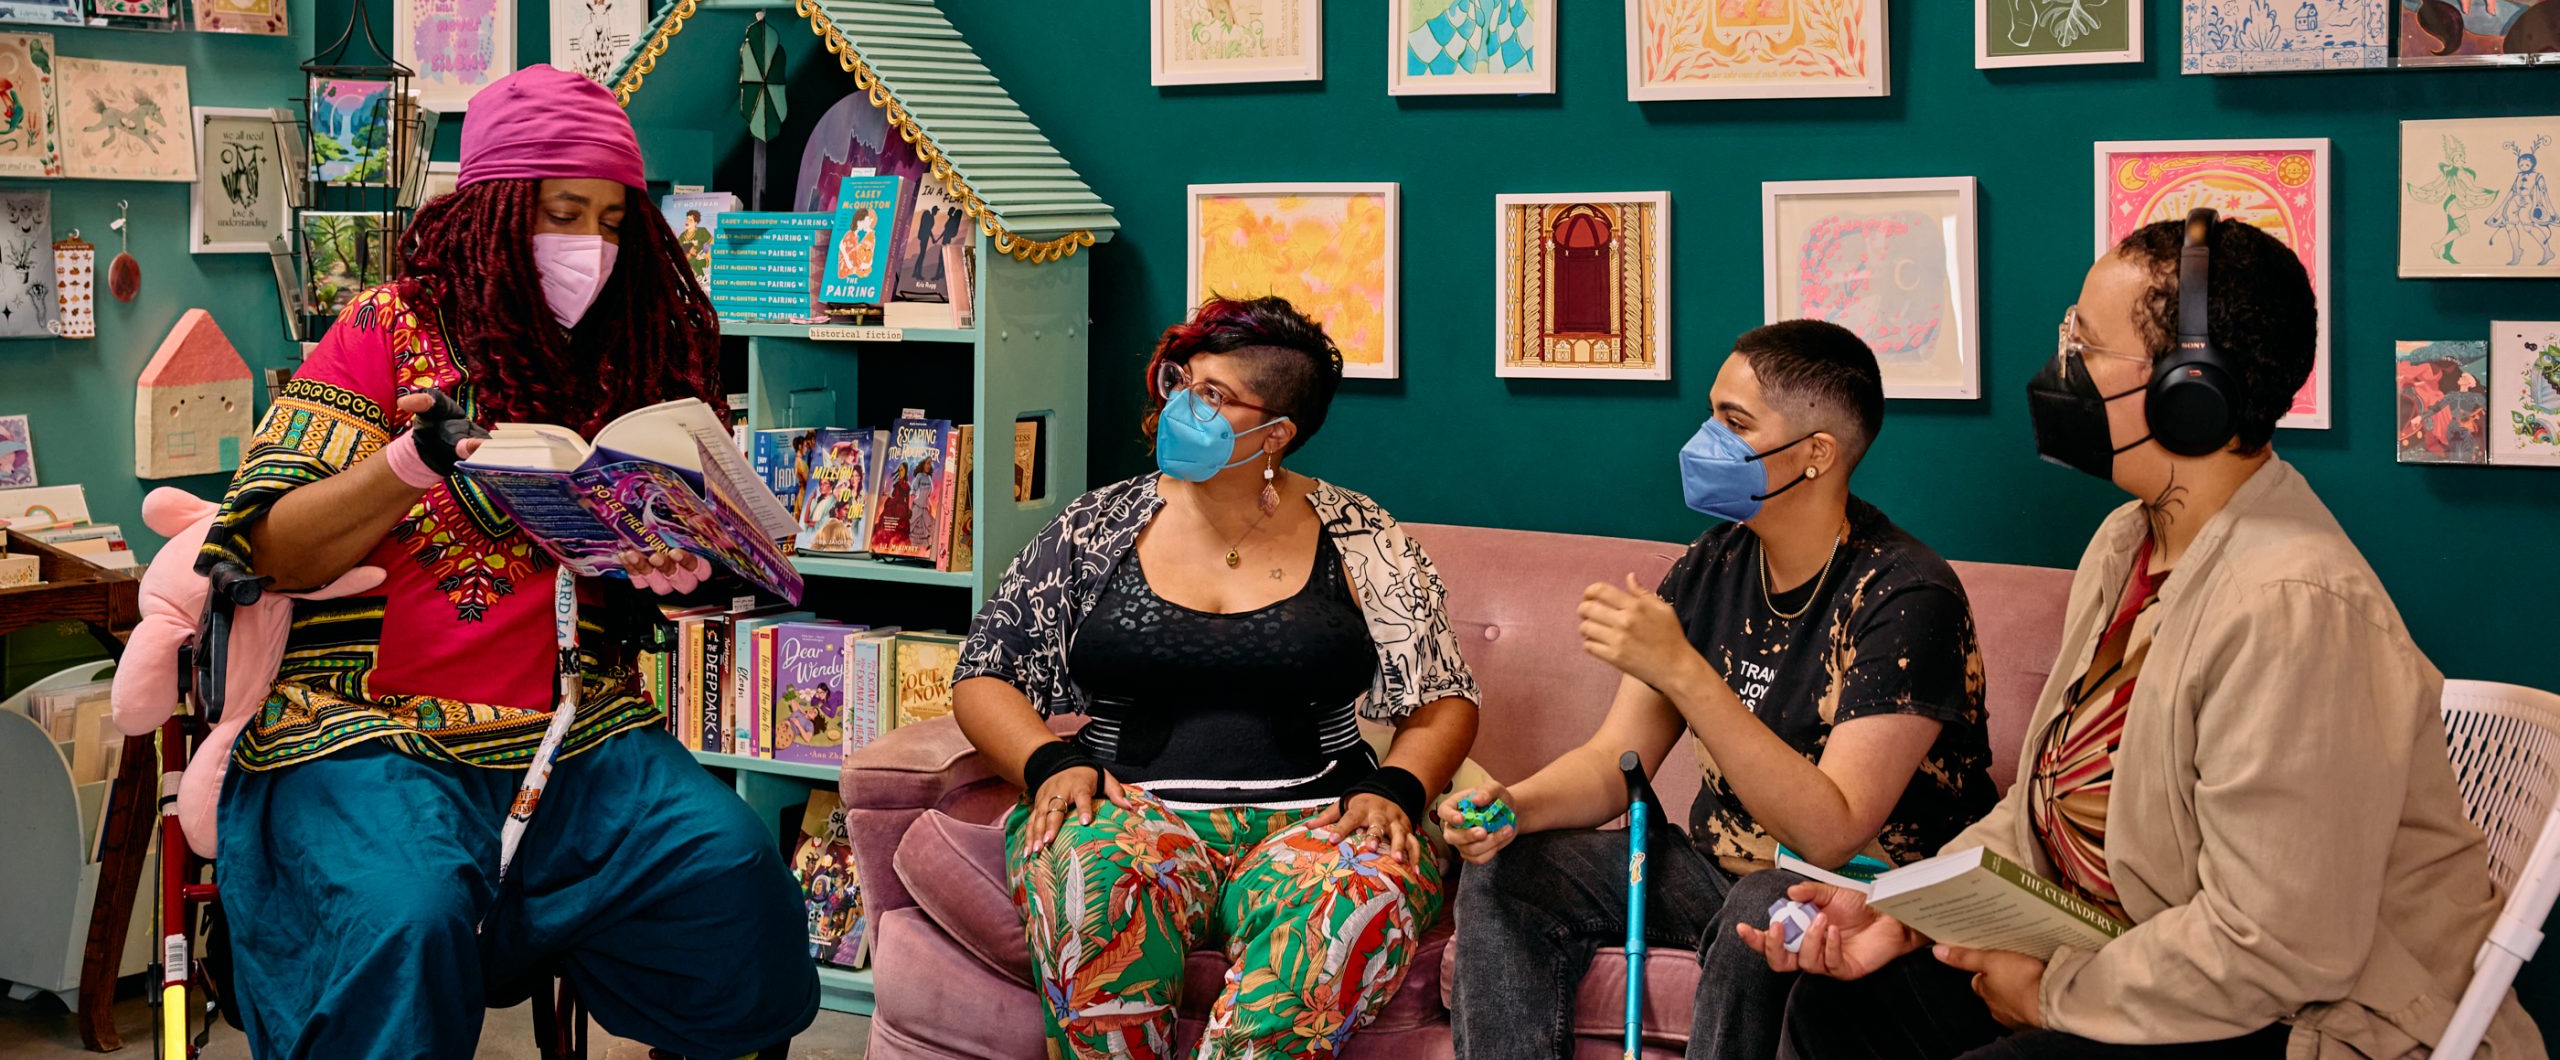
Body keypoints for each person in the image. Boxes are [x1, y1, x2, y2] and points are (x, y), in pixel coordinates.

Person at [1742, 213, 2545, 1060]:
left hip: (2300, 1018)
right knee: (1843, 1010)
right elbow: (2049, 806)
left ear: (2188, 390)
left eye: (2084, 344)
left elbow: (2275, 947)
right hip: (2146, 960)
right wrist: (1903, 908)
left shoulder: (2293, 608)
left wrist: (2052, 995)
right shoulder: (2127, 543)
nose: (2062, 368)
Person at [197, 65, 816, 1060]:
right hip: (364, 735)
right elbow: (266, 542)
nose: (594, 247)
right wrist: (410, 460)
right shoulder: (382, 330)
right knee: (407, 915)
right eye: (565, 212)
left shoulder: (633, 358)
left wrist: (675, 557)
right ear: (493, 209)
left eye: (614, 221)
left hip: (577, 738)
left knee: (736, 876)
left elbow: (662, 555)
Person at [1447, 319, 1996, 1060]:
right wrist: (1516, 807)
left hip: (1860, 888)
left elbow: (1832, 831)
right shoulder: (1712, 565)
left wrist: (1684, 670)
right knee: (1506, 872)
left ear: (1816, 455)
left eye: (1734, 422)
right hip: (1713, 865)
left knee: (1763, 907)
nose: (1706, 438)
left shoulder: (1905, 597)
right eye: (1712, 412)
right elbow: (1616, 758)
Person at [952, 296, 1480, 1058]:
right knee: (1087, 884)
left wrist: (1397, 788)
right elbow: (985, 674)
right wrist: (1049, 761)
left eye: (1213, 396)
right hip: (1128, 808)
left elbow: (1443, 699)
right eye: (1180, 384)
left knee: (1350, 904)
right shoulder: (1094, 526)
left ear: (1277, 433)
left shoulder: (1363, 535)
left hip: (1322, 819)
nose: (1179, 407)